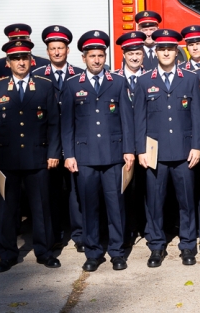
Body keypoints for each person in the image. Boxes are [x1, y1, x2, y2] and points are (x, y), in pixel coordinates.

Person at [60, 30, 135, 272]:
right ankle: (92, 252)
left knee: (116, 207)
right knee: (89, 207)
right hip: (85, 158)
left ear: (105, 57)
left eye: (100, 55)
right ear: (84, 58)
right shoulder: (72, 85)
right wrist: (69, 154)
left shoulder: (118, 82)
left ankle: (117, 252)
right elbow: (67, 124)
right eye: (92, 56)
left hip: (114, 156)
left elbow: (127, 119)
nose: (96, 60)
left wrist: (129, 150)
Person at [0, 39, 61, 273]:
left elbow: (54, 123)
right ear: (8, 63)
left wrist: (53, 153)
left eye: (24, 58)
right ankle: (7, 255)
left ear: (31, 60)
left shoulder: (45, 85)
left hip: (38, 157)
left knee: (41, 208)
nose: (21, 62)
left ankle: (44, 252)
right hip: (7, 159)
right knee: (8, 210)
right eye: (16, 58)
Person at [134, 29, 200, 267]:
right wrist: (140, 149)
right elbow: (139, 119)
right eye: (161, 49)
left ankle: (187, 246)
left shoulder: (190, 78)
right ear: (157, 51)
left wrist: (196, 147)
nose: (165, 52)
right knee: (155, 202)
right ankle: (156, 246)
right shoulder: (144, 80)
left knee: (186, 202)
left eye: (170, 49)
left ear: (176, 51)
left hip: (184, 151)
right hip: (155, 153)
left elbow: (197, 116)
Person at [32, 25, 83, 252]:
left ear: (67, 50)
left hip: (74, 142)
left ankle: (80, 234)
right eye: (52, 49)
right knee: (50, 192)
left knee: (76, 191)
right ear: (48, 51)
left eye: (60, 48)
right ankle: (54, 234)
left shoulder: (80, 74)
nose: (57, 52)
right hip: (49, 144)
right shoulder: (37, 77)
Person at [115, 31, 148, 246]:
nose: (135, 57)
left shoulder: (151, 77)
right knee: (125, 189)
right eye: (130, 53)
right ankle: (127, 229)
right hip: (122, 143)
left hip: (147, 144)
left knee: (147, 189)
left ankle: (147, 228)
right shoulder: (114, 78)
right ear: (124, 55)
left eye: (138, 53)